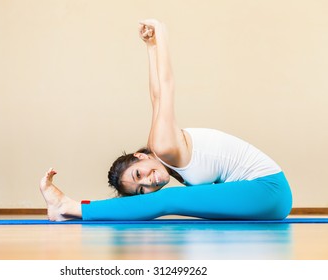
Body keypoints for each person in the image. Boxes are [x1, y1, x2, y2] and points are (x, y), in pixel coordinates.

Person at [40, 19, 292, 221]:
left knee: (167, 200)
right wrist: (150, 47)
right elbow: (155, 96)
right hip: (260, 197)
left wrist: (161, 33)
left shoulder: (164, 147)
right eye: (141, 188)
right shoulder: (159, 153)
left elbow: (167, 88)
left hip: (268, 191)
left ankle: (68, 206)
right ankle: (68, 209)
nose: (150, 181)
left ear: (141, 156)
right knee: (164, 200)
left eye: (139, 173)